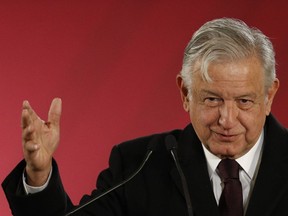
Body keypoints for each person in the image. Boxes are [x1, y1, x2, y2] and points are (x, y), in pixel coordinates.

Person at [2, 17, 288, 216]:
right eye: (212, 99)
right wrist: (39, 175)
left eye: (244, 101)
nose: (227, 119)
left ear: (268, 97)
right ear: (185, 93)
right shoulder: (139, 164)